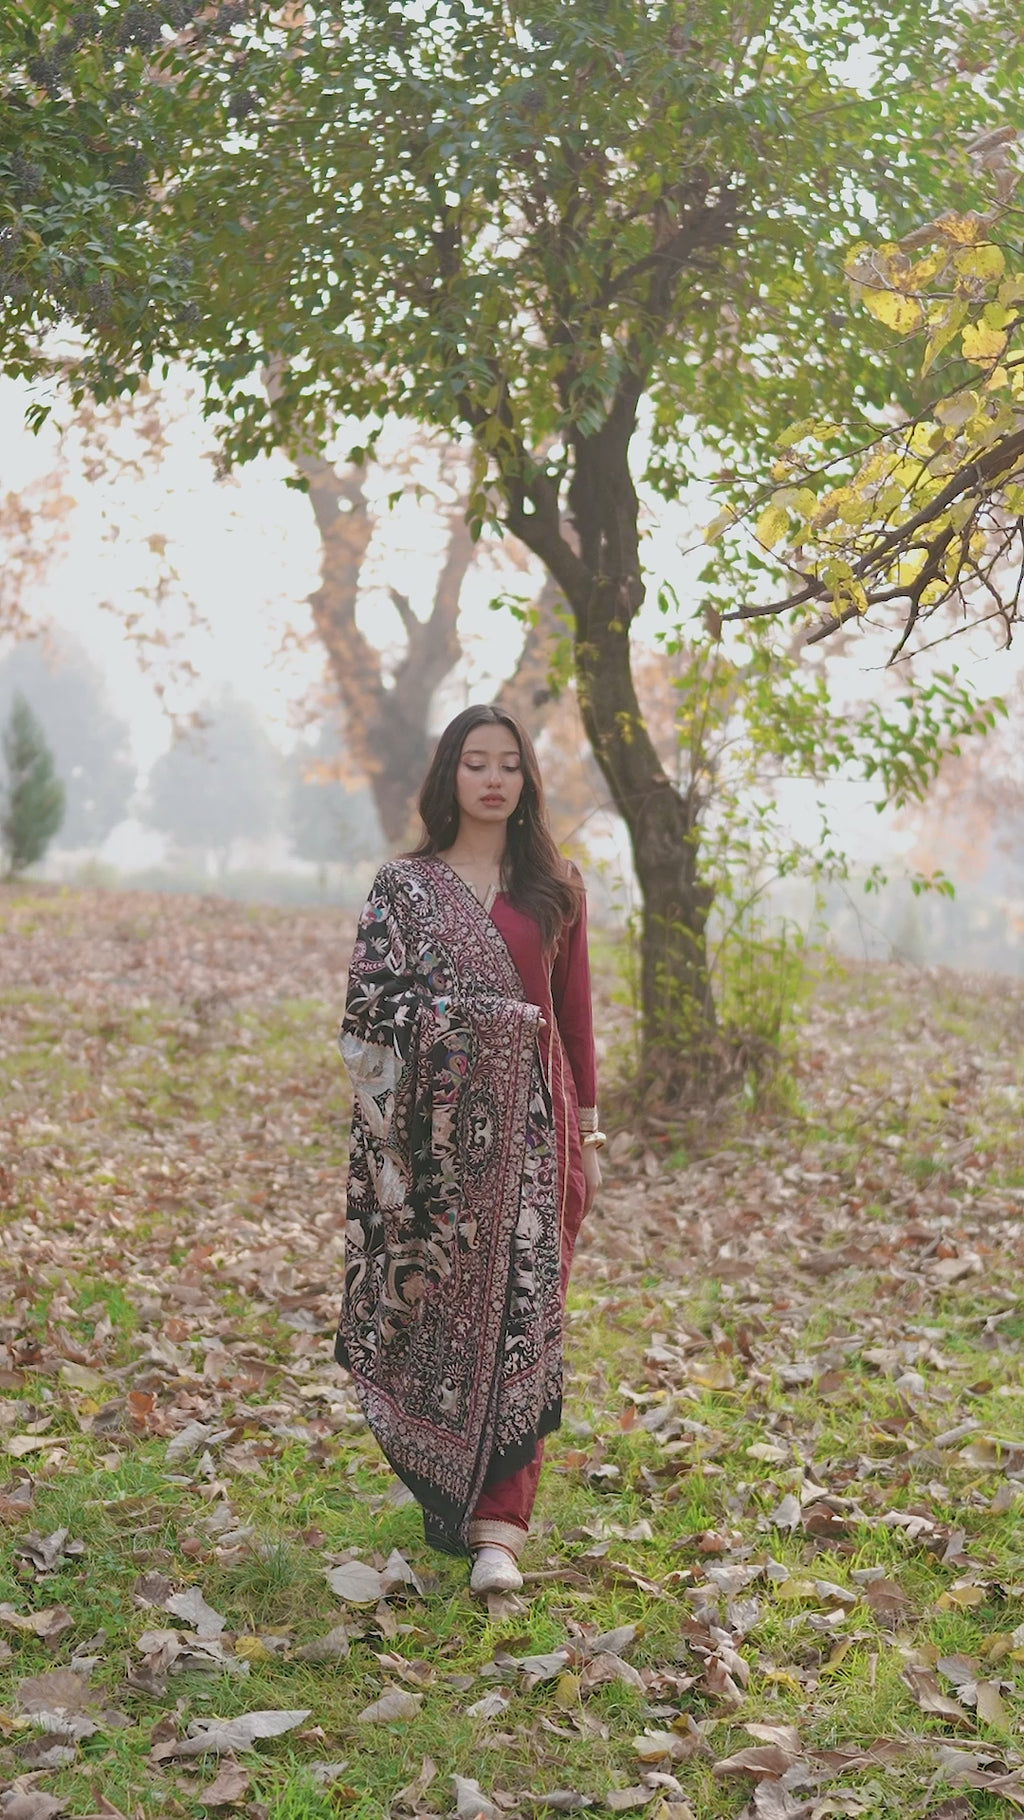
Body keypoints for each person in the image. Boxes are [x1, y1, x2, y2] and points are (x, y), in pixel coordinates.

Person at [334, 704, 602, 1595]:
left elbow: (574, 1023)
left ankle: (501, 1530)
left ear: (527, 782)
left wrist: (590, 1138)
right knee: (440, 1315)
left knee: (527, 1316)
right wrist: (470, 1033)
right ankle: (447, 1494)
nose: (494, 779)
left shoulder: (555, 887)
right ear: (449, 774)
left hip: (538, 1137)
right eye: (476, 763)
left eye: (511, 766)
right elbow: (370, 1018)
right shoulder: (403, 889)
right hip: (435, 1152)